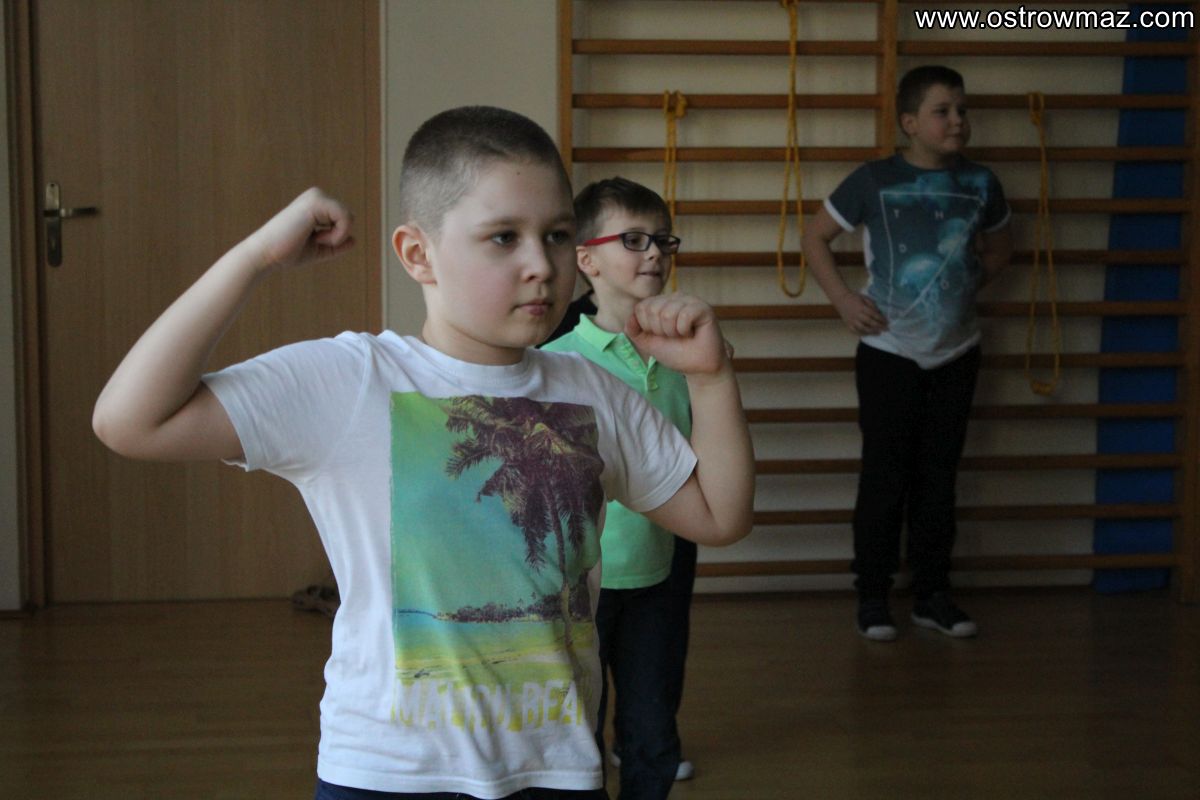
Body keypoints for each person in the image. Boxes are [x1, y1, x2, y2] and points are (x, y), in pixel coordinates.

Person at [91, 105, 754, 799]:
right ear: (417, 254)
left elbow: (719, 515)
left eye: (557, 235)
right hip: (386, 773)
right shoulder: (353, 380)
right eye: (503, 237)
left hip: (556, 769)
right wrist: (256, 257)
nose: (541, 265)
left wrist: (711, 380)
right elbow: (129, 421)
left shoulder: (593, 393)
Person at [802, 66, 1012, 642]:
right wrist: (845, 300)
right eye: (943, 111)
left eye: (962, 110)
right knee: (884, 476)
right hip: (889, 352)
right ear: (910, 122)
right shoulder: (873, 179)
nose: (957, 121)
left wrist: (959, 290)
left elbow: (999, 250)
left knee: (939, 478)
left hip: (957, 352)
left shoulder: (982, 182)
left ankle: (932, 595)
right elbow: (814, 237)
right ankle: (872, 596)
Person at [542, 177, 696, 799]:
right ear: (587, 259)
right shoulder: (557, 363)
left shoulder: (686, 356)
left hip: (663, 568)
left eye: (662, 239)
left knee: (652, 726)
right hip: (580, 581)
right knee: (576, 727)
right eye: (633, 240)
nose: (654, 252)